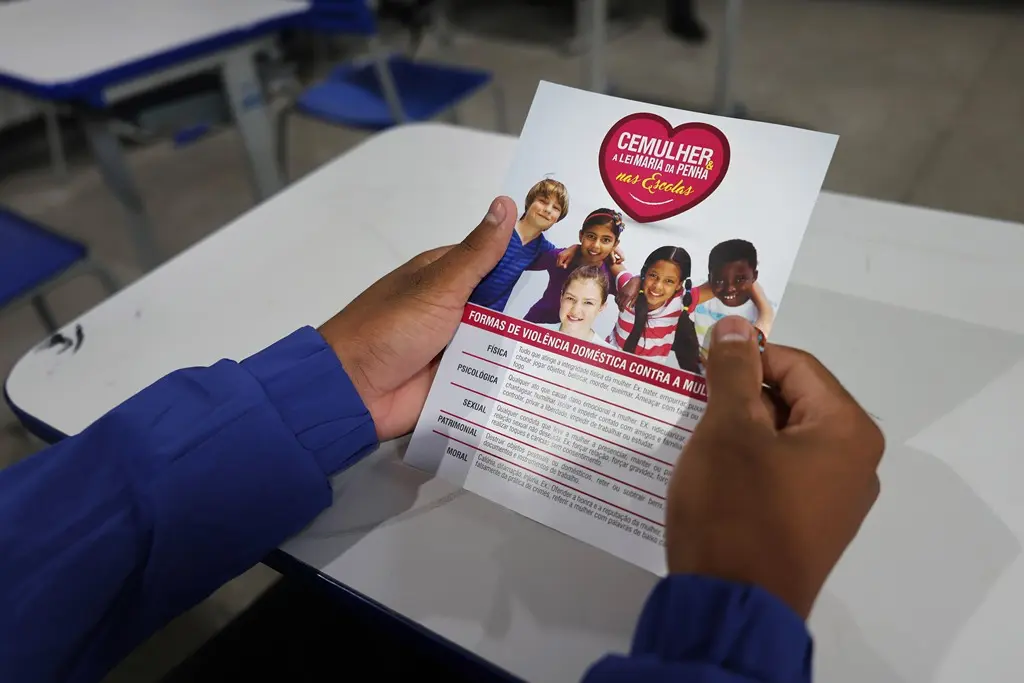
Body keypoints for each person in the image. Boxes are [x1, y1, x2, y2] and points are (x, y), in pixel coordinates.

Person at [0, 196, 885, 683]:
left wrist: (336, 381)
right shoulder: (563, 287)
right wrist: (738, 608)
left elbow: (26, 559)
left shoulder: (655, 314)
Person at [469, 178, 569, 312]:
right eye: (543, 201)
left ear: (558, 217)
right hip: (461, 302)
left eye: (556, 208)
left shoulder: (543, 248)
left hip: (489, 317)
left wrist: (574, 248)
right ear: (530, 203)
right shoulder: (501, 228)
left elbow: (566, 255)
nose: (548, 210)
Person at [606, 246, 702, 372]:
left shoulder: (681, 302)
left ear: (679, 284)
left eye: (669, 281)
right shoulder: (628, 289)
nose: (657, 286)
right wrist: (574, 249)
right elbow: (605, 254)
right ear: (644, 273)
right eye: (653, 275)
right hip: (607, 362)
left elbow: (723, 282)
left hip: (647, 378)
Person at [523, 208, 624, 324]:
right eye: (591, 236)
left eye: (606, 240)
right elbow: (525, 258)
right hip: (535, 325)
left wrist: (619, 267)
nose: (596, 245)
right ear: (581, 236)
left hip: (572, 336)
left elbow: (636, 294)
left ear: (615, 244)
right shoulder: (562, 258)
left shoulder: (610, 276)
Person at [693, 239, 775, 367]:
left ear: (754, 276)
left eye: (740, 279)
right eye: (720, 280)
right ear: (710, 279)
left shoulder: (764, 312)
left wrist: (766, 312)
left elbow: (755, 350)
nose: (730, 287)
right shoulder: (699, 302)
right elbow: (671, 304)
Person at [541, 265, 611, 345]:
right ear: (561, 297)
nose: (575, 311)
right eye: (570, 298)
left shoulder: (608, 354)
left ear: (601, 307)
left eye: (588, 303)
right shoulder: (533, 334)